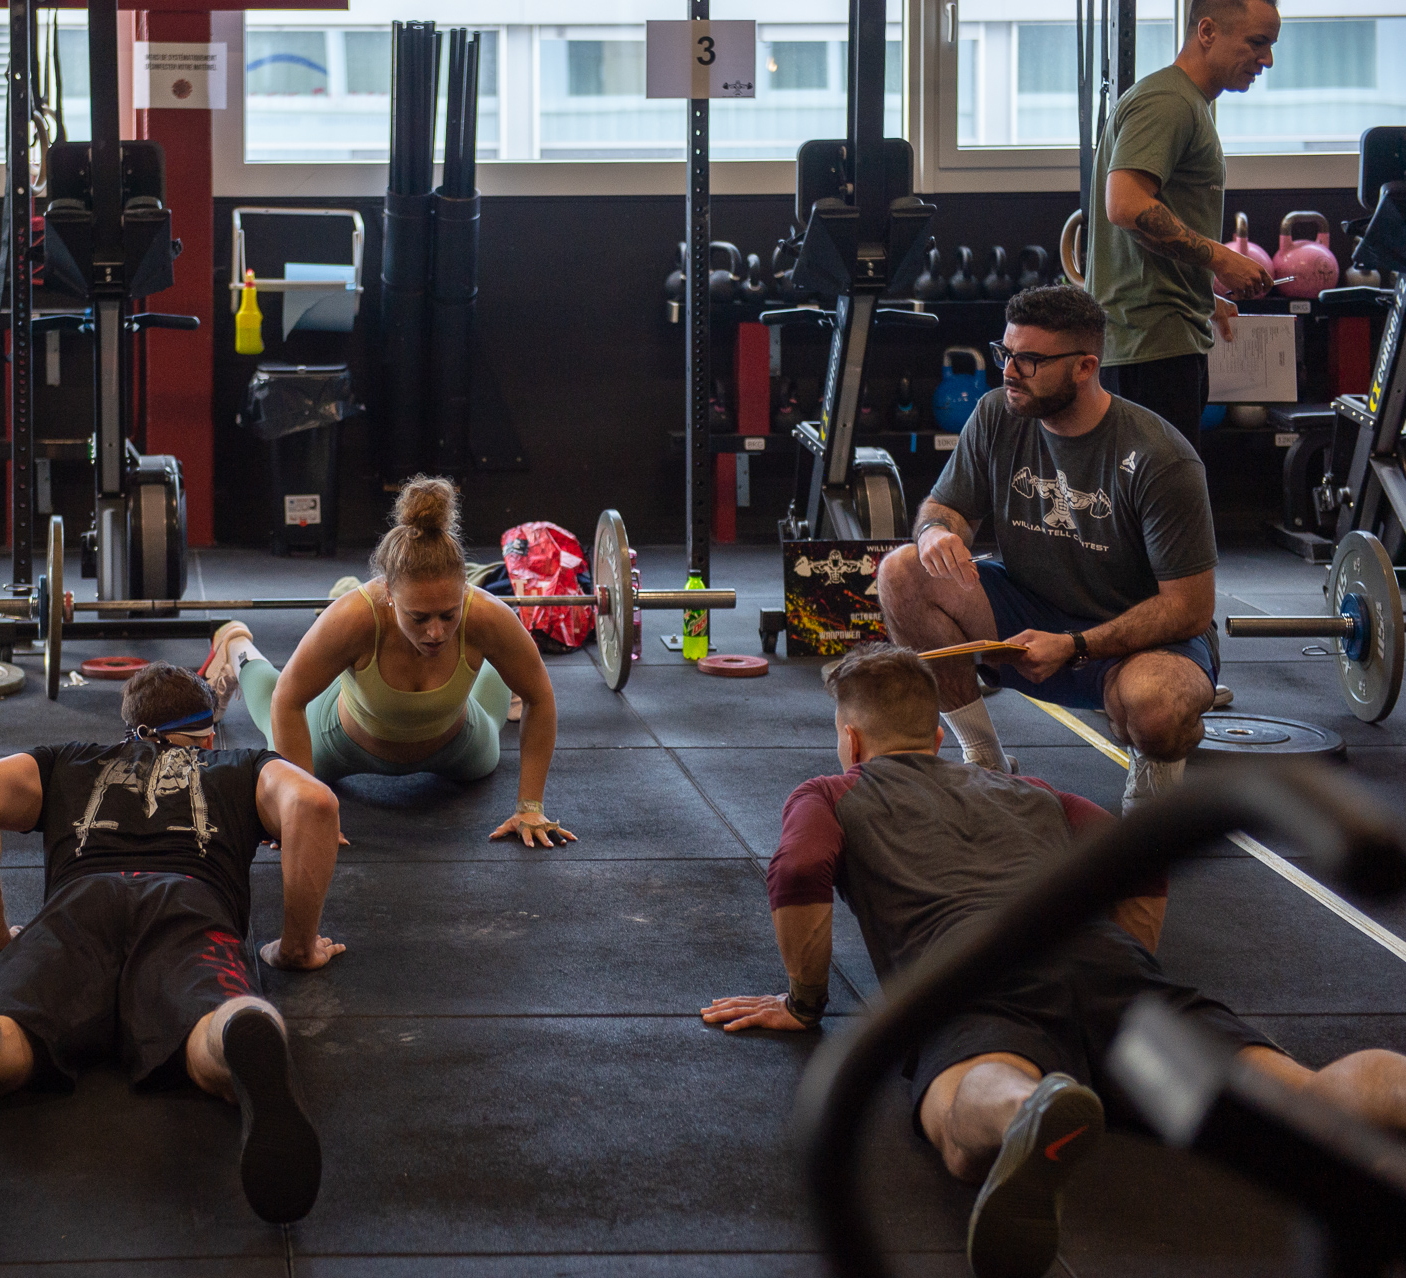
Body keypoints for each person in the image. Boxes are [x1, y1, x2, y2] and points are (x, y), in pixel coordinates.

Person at [700, 645, 1406, 1278]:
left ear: (850, 740)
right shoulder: (1032, 790)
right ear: (937, 734)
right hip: (1108, 961)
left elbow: (798, 870)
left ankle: (1027, 1109)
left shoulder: (830, 792)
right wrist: (1127, 973)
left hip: (975, 976)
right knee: (1302, 1093)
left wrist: (804, 1002)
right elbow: (1141, 863)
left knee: (958, 1117)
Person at [0, 663, 345, 1224]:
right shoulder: (241, 765)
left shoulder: (68, 762)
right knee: (205, 1041)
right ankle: (240, 1030)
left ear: (129, 725)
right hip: (190, 905)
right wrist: (295, 947)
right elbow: (314, 805)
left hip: (76, 906)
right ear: (208, 737)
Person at [877, 286, 1219, 811]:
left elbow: (1189, 608)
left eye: (1030, 360)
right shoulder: (998, 413)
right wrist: (936, 532)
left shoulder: (1160, 458)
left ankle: (1154, 782)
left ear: (1085, 367)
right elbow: (945, 507)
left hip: (1136, 641)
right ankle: (984, 757)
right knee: (902, 571)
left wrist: (1076, 645)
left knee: (1157, 709)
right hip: (1030, 616)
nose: (1009, 372)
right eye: (1005, 353)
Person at [204, 475, 574, 847]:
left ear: (464, 590)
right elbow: (288, 699)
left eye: (448, 615)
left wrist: (530, 807)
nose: (436, 632)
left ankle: (499, 665)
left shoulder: (486, 615)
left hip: (458, 745)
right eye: (419, 617)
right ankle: (236, 647)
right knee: (274, 712)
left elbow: (540, 697)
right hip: (340, 743)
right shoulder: (354, 618)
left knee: (501, 697)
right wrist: (300, 812)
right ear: (390, 595)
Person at [1087, 0, 1281, 449]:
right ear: (1207, 32)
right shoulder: (1169, 101)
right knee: (1160, 494)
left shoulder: (1191, 104)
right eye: (1257, 42)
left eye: (1270, 45)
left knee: (1166, 490)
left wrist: (1202, 293)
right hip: (1150, 348)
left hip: (1161, 340)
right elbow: (1126, 205)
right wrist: (1221, 259)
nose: (1267, 59)